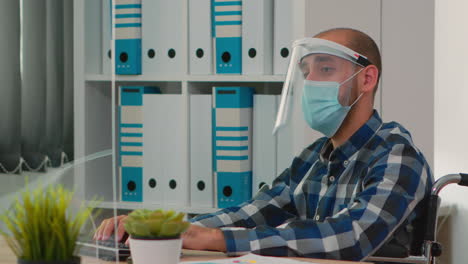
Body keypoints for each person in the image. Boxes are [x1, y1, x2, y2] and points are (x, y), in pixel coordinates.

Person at [94, 28, 433, 261]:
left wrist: (214, 240)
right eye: (307, 72)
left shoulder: (396, 155)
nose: (311, 82)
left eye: (325, 69)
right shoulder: (313, 158)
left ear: (367, 78)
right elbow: (254, 213)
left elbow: (352, 236)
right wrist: (162, 228)